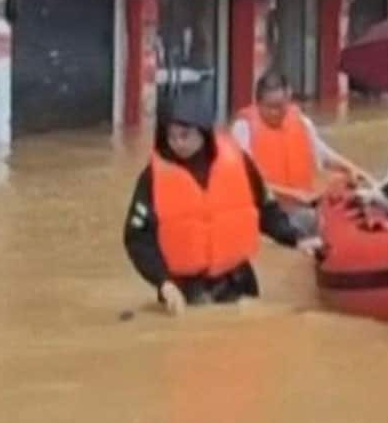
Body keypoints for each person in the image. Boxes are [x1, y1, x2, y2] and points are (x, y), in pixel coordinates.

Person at [123, 95, 324, 315]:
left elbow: (266, 211)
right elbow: (138, 238)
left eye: (185, 135)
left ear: (203, 133)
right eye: (171, 137)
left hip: (239, 282)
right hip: (186, 291)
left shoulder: (238, 162)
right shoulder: (152, 178)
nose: (178, 143)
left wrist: (296, 238)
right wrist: (163, 282)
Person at [231, 71, 364, 236]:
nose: (275, 112)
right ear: (257, 104)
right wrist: (293, 194)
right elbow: (247, 179)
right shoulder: (243, 129)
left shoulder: (302, 122)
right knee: (310, 222)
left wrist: (352, 169)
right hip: (268, 212)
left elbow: (325, 155)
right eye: (269, 107)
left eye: (280, 106)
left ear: (289, 100)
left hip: (303, 204)